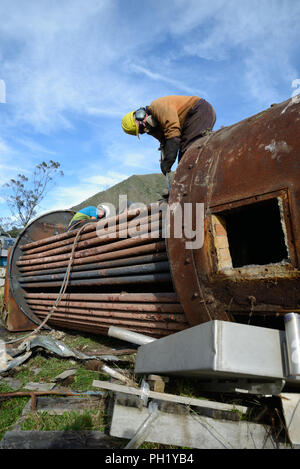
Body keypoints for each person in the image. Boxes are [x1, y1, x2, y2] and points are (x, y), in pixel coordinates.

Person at [121, 95, 216, 175]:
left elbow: (173, 132)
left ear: (139, 113)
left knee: (189, 156)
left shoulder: (156, 106)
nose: (145, 123)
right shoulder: (152, 128)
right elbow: (165, 142)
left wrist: (168, 161)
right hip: (188, 122)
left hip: (197, 110)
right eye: (142, 129)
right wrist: (164, 162)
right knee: (185, 159)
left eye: (140, 117)